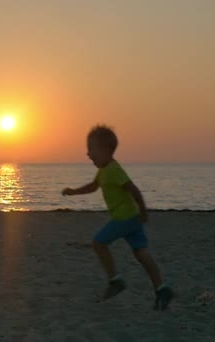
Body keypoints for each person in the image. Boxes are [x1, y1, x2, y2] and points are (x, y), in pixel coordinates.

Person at [61, 124, 173, 310]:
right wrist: (73, 192)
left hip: (125, 218)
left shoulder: (113, 170)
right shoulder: (104, 170)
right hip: (132, 218)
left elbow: (134, 190)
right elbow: (93, 186)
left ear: (105, 150)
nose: (88, 154)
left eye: (91, 149)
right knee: (141, 253)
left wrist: (144, 211)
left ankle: (115, 280)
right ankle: (162, 288)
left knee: (98, 242)